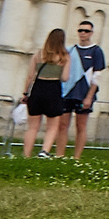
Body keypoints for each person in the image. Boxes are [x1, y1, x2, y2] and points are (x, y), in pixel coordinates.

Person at [56, 20, 107, 158]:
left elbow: (97, 76)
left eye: (86, 31)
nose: (83, 33)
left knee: (81, 125)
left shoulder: (96, 51)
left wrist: (89, 96)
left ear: (91, 33)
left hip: (83, 93)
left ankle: (76, 157)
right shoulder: (70, 50)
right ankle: (59, 155)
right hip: (67, 93)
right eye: (80, 30)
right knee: (62, 125)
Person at [20, 28, 73, 158]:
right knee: (53, 125)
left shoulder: (38, 55)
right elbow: (65, 78)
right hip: (53, 89)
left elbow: (30, 76)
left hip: (38, 88)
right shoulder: (64, 56)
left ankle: (26, 154)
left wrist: (25, 93)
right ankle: (44, 151)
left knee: (32, 126)